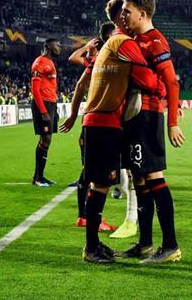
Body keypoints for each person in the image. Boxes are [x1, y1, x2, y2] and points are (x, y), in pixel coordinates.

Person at [79, 0, 166, 263]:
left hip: (96, 121)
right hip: (105, 123)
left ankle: (95, 244)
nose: (127, 19)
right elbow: (150, 81)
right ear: (119, 19)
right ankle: (91, 248)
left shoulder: (110, 44)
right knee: (101, 185)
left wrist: (73, 115)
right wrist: (162, 88)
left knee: (102, 183)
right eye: (124, 14)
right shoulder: (124, 43)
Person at [118, 0, 185, 263]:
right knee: (139, 177)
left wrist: (172, 123)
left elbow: (171, 81)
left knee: (154, 178)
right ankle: (145, 243)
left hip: (149, 115)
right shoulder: (134, 39)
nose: (123, 16)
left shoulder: (154, 41)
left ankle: (170, 245)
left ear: (142, 13)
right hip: (134, 116)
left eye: (127, 11)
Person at [61, 21, 116, 233]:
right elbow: (79, 83)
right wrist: (87, 47)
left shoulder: (106, 56)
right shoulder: (102, 57)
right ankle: (87, 219)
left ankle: (84, 217)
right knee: (95, 173)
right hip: (98, 121)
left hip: (96, 121)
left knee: (91, 171)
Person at [30, 38, 62, 187]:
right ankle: (38, 178)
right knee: (45, 139)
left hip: (51, 103)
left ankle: (39, 176)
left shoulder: (50, 63)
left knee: (47, 140)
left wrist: (54, 110)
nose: (60, 47)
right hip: (42, 104)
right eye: (57, 45)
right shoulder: (40, 62)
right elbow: (35, 89)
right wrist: (44, 111)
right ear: (48, 46)